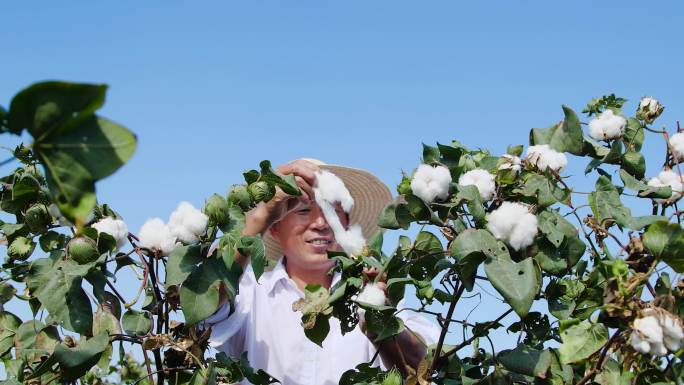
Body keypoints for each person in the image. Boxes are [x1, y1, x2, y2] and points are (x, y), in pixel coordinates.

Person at [202, 159, 439, 385]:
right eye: (303, 210)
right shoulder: (251, 292)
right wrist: (259, 217)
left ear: (346, 224)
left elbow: (427, 366)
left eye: (332, 211)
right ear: (275, 226)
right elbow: (205, 302)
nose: (321, 223)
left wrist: (381, 325)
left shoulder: (373, 295)